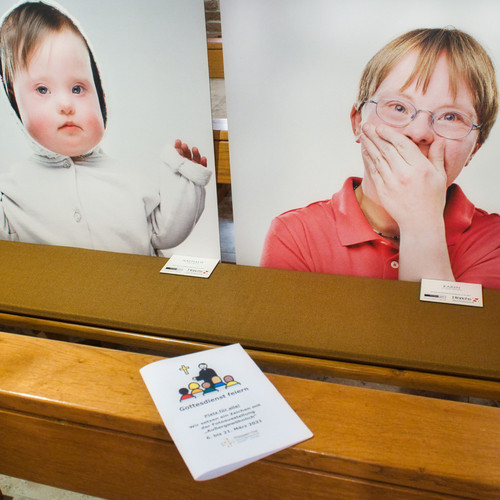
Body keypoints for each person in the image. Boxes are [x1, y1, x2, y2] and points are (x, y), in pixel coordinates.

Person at [261, 28, 500, 289]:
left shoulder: (494, 243)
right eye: (398, 107)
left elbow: (433, 320)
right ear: (357, 123)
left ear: (474, 149)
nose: (418, 132)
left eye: (451, 117)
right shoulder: (296, 235)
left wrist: (420, 222)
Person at [0, 1, 211, 255]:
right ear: (14, 101)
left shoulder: (127, 179)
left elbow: (164, 232)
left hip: (130, 282)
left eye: (77, 88)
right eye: (43, 89)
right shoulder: (13, 192)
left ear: (99, 94)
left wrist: (186, 181)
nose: (66, 105)